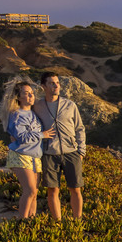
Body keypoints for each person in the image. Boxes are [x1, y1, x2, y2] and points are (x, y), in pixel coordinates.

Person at [32, 73, 86, 220]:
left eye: (57, 83)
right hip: (49, 154)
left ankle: (77, 221)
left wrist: (81, 151)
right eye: (52, 83)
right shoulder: (37, 106)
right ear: (44, 86)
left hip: (72, 152)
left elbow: (79, 128)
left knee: (75, 189)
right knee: (53, 190)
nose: (56, 86)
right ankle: (58, 223)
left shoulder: (70, 105)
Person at [3, 81, 51, 219]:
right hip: (20, 155)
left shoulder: (33, 114)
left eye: (31, 93)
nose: (31, 95)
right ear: (18, 97)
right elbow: (22, 137)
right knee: (29, 190)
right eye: (26, 93)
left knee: (34, 192)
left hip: (35, 157)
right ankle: (22, 221)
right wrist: (43, 135)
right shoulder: (16, 115)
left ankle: (31, 220)